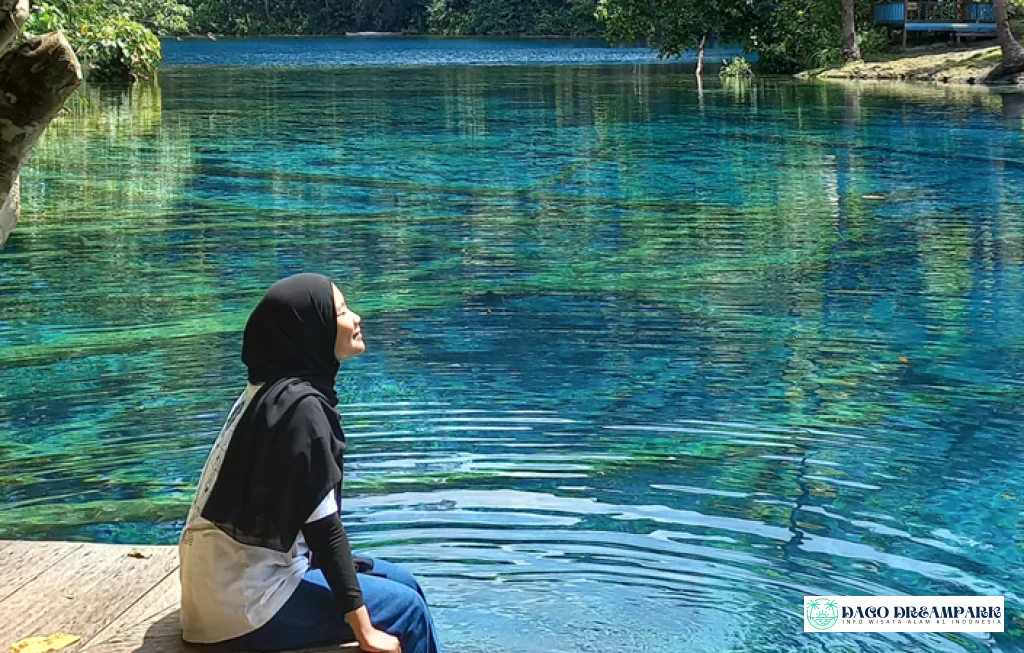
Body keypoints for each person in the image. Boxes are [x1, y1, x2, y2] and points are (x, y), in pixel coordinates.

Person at [178, 272, 444, 653]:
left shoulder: (268, 391)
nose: (356, 318)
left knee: (406, 582)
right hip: (245, 606)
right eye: (341, 312)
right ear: (312, 328)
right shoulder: (301, 410)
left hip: (223, 589)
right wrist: (365, 632)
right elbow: (324, 531)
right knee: (408, 610)